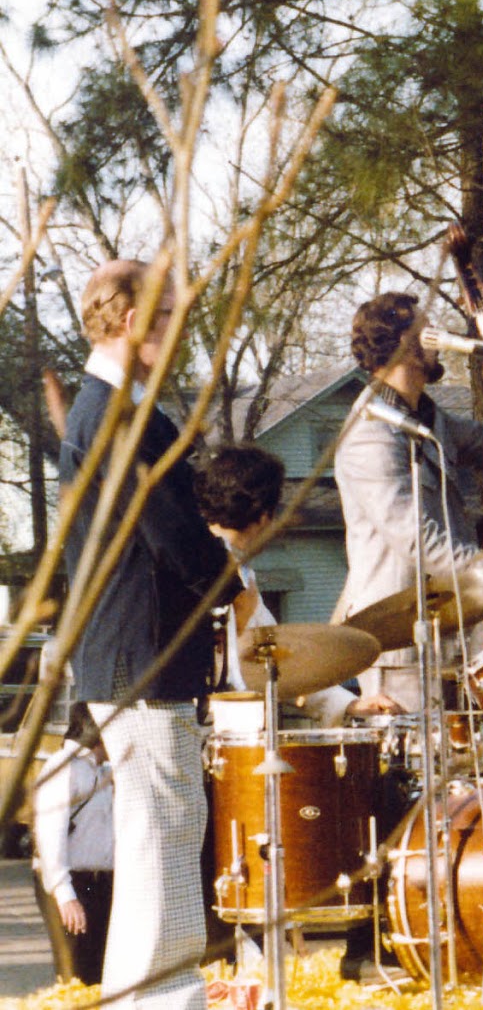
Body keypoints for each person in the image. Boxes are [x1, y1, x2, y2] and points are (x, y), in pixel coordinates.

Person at [58, 259, 240, 1009]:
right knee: (163, 837)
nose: (174, 333)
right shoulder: (113, 415)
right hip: (142, 652)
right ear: (131, 321)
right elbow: (170, 533)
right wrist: (234, 583)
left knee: (157, 836)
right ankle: (166, 1000)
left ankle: (150, 999)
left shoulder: (118, 408)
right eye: (166, 318)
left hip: (138, 652)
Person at [332, 290, 483, 712]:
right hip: (404, 644)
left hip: (455, 628)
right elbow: (421, 540)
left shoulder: (428, 418)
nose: (438, 336)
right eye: (427, 330)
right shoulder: (370, 435)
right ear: (404, 347)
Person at [194, 444, 374, 726]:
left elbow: (278, 660)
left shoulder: (240, 570)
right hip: (201, 728)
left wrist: (348, 704)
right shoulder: (205, 568)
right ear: (265, 515)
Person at [32, 703, 114, 987]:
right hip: (72, 881)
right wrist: (65, 894)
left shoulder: (105, 769)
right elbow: (49, 834)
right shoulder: (63, 767)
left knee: (102, 973)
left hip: (102, 881)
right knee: (77, 974)